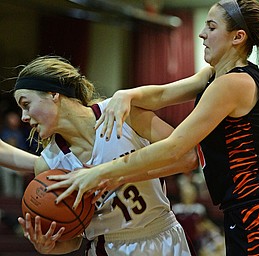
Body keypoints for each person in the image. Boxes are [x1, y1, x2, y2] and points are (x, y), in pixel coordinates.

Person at [46, 0, 259, 255]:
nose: (201, 34)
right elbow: (161, 95)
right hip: (245, 214)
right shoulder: (214, 76)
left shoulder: (233, 84)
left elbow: (175, 147)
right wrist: (123, 95)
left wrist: (97, 173)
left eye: (211, 27)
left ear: (238, 37)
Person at [13, 55, 198, 255]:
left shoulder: (121, 112)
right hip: (108, 248)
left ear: (53, 94)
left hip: (164, 236)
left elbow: (189, 157)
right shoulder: (49, 164)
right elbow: (74, 239)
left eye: (26, 104)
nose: (23, 117)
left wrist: (113, 175)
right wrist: (49, 246)